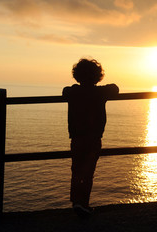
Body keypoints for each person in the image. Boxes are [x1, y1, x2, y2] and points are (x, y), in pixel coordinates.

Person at [62, 58, 119, 218]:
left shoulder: (73, 92)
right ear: (97, 76)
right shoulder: (100, 92)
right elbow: (115, 88)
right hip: (94, 138)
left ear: (77, 75)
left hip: (77, 138)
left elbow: (65, 91)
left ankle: (76, 202)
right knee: (88, 171)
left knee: (76, 170)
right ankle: (83, 204)